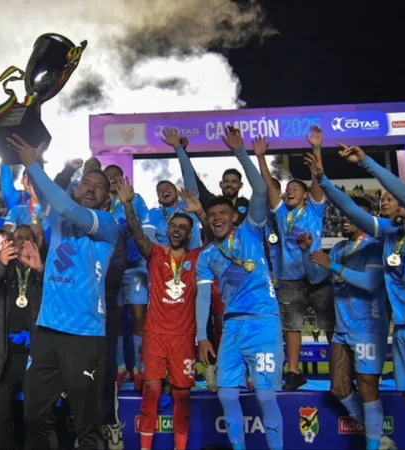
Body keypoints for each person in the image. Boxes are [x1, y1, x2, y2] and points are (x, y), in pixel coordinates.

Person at [316, 142, 405, 449]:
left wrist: (366, 162)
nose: (404, 198)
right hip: (404, 327)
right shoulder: (391, 233)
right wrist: (324, 181)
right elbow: (352, 211)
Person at [6, 134, 119, 450]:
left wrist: (34, 164)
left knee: (88, 426)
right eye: (87, 183)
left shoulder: (107, 225)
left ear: (106, 199)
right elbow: (48, 193)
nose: (91, 188)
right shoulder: (54, 215)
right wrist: (36, 162)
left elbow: (66, 205)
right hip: (47, 332)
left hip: (84, 336)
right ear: (78, 186)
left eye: (99, 186)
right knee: (32, 416)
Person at [196, 128, 284, 450]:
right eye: (211, 215)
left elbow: (260, 190)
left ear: (235, 216)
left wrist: (241, 152)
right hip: (231, 326)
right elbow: (204, 295)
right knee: (226, 393)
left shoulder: (250, 230)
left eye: (222, 213)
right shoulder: (206, 255)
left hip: (262, 321)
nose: (216, 218)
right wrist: (201, 336)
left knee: (263, 393)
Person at [296, 185, 392, 450]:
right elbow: (316, 277)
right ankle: (379, 438)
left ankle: (374, 445)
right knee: (338, 387)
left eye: (354, 216)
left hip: (368, 327)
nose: (347, 219)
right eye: (345, 216)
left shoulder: (374, 246)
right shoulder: (337, 248)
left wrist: (333, 266)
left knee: (367, 388)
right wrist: (307, 253)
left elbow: (372, 282)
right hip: (342, 328)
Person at [118, 170, 206, 450]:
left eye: (183, 226)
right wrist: (128, 204)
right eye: (174, 226)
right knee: (151, 393)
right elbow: (135, 233)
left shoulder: (197, 257)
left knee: (182, 397)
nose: (177, 229)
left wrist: (200, 213)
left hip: (183, 337)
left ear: (189, 233)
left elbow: (217, 242)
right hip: (155, 334)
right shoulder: (155, 254)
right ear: (168, 229)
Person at [256, 124, 333, 390]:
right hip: (290, 280)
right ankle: (293, 372)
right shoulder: (280, 215)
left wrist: (316, 148)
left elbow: (319, 179)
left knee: (330, 326)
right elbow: (268, 186)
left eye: (294, 189)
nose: (288, 191)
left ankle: (340, 369)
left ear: (305, 195)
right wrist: (260, 158)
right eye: (287, 189)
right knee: (292, 327)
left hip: (318, 278)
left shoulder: (314, 210)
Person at [0, 226, 45, 449]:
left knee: (36, 420)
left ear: (37, 242)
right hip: (1, 358)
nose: (23, 243)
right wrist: (0, 264)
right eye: (18, 238)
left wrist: (40, 270)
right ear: (10, 243)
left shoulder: (45, 268)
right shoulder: (2, 267)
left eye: (28, 238)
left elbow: (60, 302)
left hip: (36, 359)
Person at [103, 164, 150, 391]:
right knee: (115, 318)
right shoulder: (102, 201)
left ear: (123, 179)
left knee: (139, 317)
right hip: (111, 269)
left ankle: (140, 367)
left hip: (134, 267)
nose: (112, 178)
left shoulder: (135, 199)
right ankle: (121, 367)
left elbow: (144, 229)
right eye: (108, 175)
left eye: (116, 175)